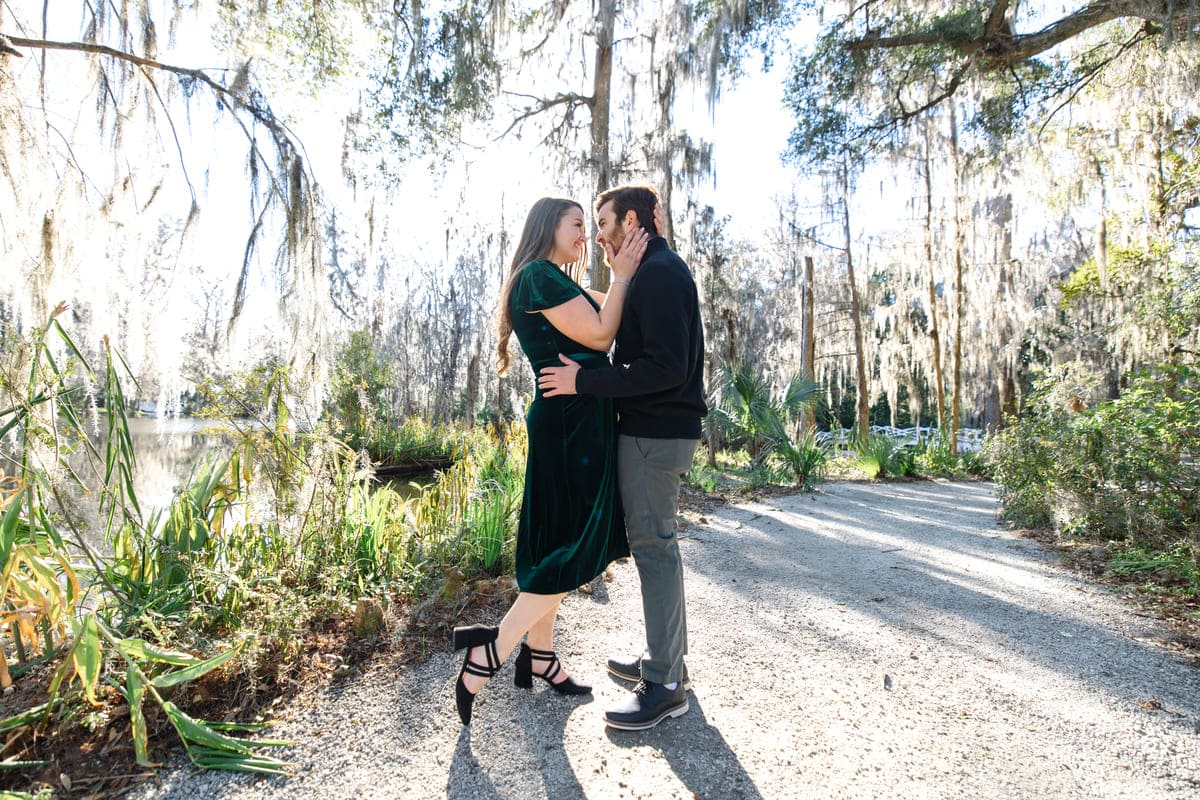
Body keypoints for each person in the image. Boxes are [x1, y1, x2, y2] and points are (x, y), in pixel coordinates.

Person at [452, 197, 649, 725]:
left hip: (574, 420)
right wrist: (625, 274)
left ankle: (540, 657)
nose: (586, 234)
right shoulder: (538, 276)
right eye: (578, 224)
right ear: (548, 227)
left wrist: (628, 276)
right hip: (572, 425)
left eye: (590, 225)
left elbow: (608, 311)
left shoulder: (553, 280)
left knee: (559, 536)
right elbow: (603, 332)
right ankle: (489, 650)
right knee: (573, 538)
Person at [538, 184, 707, 732]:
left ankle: (665, 685)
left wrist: (583, 380)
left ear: (631, 221)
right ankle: (666, 663)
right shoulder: (654, 269)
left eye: (604, 222)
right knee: (657, 547)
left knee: (655, 550)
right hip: (653, 433)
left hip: (654, 436)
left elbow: (665, 368)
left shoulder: (659, 274)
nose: (598, 234)